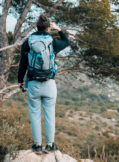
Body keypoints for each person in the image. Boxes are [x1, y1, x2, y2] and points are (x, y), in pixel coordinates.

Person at [17, 14, 70, 154]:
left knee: (34, 114)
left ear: (36, 26)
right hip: (49, 84)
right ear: (48, 28)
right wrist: (58, 29)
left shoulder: (28, 42)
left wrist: (20, 81)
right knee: (49, 114)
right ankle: (50, 145)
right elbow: (67, 42)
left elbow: (22, 64)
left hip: (33, 83)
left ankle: (37, 145)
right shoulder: (52, 42)